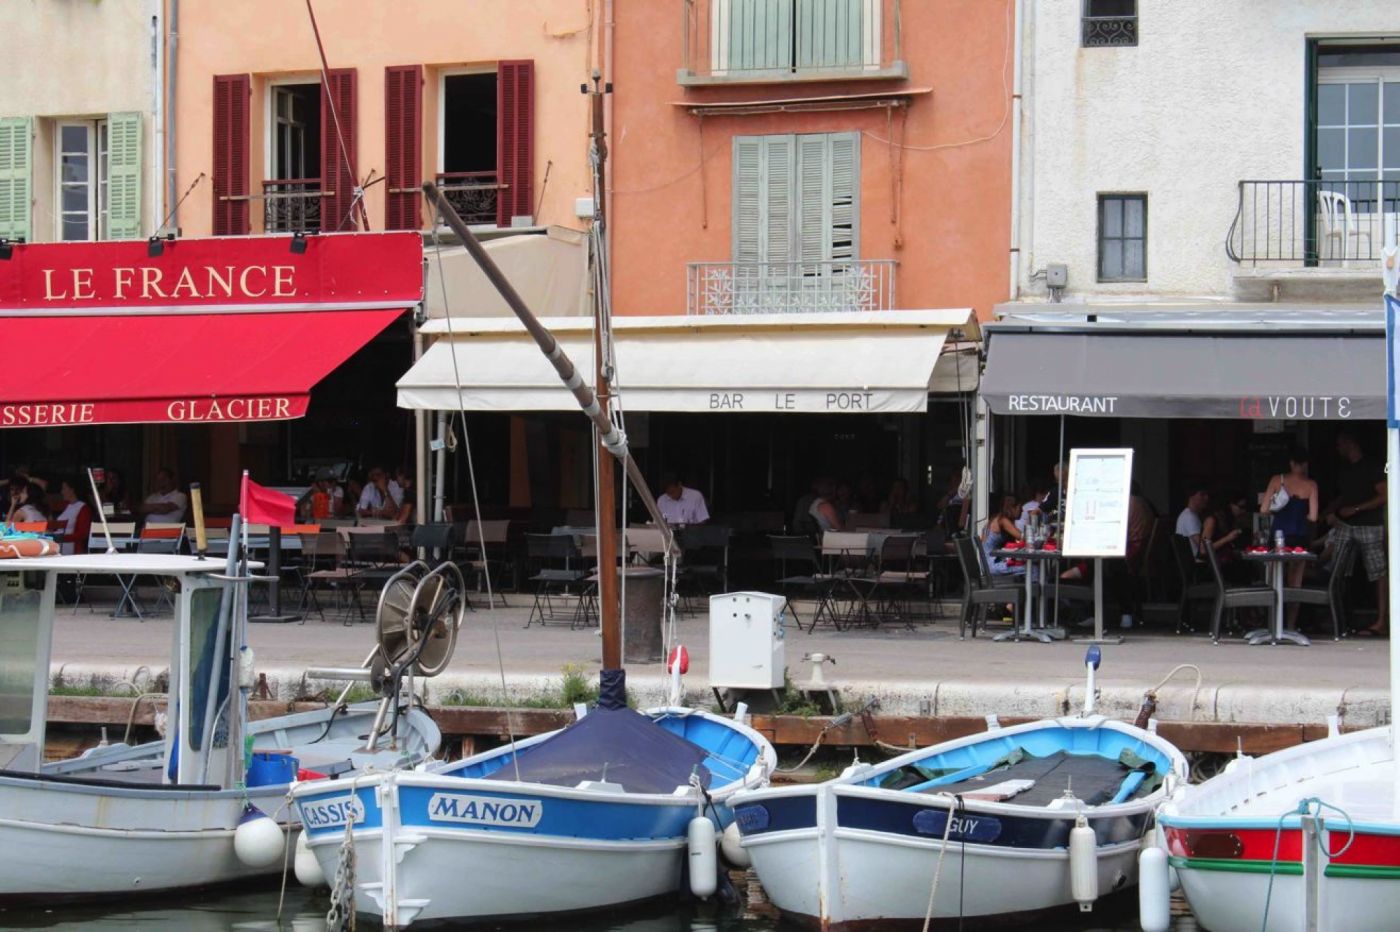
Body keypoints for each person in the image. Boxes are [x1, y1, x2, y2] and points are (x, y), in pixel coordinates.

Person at [1326, 433, 1388, 636]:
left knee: (1378, 572)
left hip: (1370, 524)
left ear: (1350, 443)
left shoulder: (1372, 466)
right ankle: (1338, 618)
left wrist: (1356, 509)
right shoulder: (1345, 470)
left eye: (1339, 444)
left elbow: (1385, 495)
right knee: (1337, 570)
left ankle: (1381, 621)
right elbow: (1345, 495)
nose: (1337, 449)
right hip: (1346, 524)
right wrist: (1327, 511)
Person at [981, 492, 1024, 575]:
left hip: (987, 564)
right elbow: (1022, 537)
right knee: (1033, 569)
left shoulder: (995, 518)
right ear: (1012, 508)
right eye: (1020, 507)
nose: (1022, 510)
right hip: (993, 566)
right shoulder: (1003, 520)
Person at [54, 478, 93, 555]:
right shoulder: (66, 506)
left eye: (64, 488)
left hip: (72, 551)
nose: (62, 492)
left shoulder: (83, 508)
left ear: (72, 490)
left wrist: (61, 538)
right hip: (60, 548)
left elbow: (83, 534)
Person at [1175, 484, 1210, 557]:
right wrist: (1227, 538)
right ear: (1191, 497)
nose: (1206, 498)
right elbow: (1202, 548)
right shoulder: (1189, 517)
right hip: (1196, 564)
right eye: (1202, 494)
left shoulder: (1191, 515)